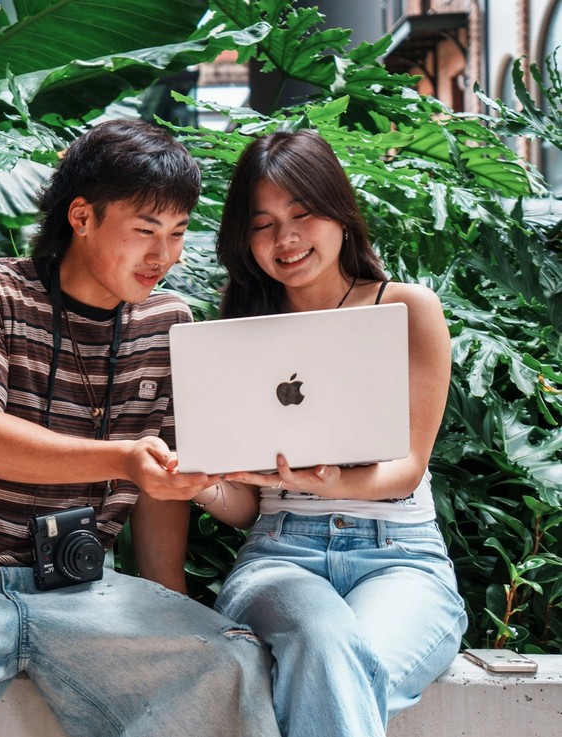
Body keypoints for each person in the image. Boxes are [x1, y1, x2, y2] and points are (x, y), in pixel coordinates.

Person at [0, 119, 278, 737]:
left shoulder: (170, 323)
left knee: (231, 664)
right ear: (82, 216)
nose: (164, 256)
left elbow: (160, 490)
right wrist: (124, 459)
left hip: (83, 590)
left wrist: (170, 604)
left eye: (179, 234)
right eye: (144, 231)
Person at [193, 129, 468, 737]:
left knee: (338, 663)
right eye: (262, 224)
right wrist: (203, 486)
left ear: (340, 212)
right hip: (280, 557)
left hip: (401, 562)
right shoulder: (239, 331)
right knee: (322, 641)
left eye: (302, 213)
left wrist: (336, 481)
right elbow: (244, 504)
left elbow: (407, 472)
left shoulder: (407, 309)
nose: (284, 239)